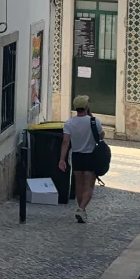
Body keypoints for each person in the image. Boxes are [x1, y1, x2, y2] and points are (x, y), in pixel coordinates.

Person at [59, 94, 100, 224]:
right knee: (89, 186)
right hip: (90, 156)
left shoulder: (69, 123)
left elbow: (66, 142)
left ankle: (81, 210)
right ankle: (81, 209)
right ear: (87, 107)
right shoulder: (94, 121)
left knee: (79, 185)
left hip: (76, 156)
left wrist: (62, 159)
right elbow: (101, 136)